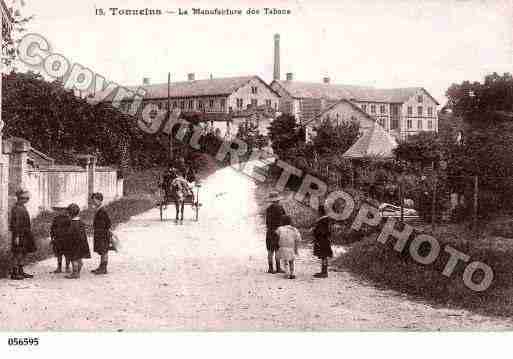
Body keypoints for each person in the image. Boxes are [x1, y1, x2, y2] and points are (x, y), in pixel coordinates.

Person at [9, 189, 37, 280]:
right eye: (26, 198)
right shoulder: (16, 208)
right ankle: (14, 273)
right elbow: (15, 224)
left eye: (27, 198)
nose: (27, 200)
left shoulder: (22, 207)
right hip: (19, 234)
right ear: (20, 198)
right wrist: (16, 236)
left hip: (25, 234)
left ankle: (21, 271)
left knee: (24, 252)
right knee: (17, 253)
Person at [64, 203, 91, 279]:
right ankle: (78, 272)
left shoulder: (72, 224)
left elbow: (70, 234)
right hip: (82, 243)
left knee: (73, 259)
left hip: (74, 244)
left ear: (70, 214)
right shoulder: (81, 222)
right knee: (79, 259)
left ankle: (75, 273)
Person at [91, 192, 112, 275]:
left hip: (102, 234)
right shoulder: (100, 210)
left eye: (94, 200)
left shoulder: (102, 211)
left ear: (99, 200)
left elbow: (107, 223)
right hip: (101, 233)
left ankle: (103, 268)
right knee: (102, 251)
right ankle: (101, 267)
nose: (93, 202)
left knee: (104, 251)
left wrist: (101, 231)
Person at [265, 191, 286, 274]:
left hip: (270, 231)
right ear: (278, 199)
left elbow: (267, 221)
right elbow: (284, 218)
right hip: (278, 231)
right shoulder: (280, 208)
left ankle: (270, 268)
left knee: (270, 251)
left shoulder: (268, 209)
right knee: (277, 249)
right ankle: (278, 268)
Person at [276, 215, 301, 279]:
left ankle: (286, 273)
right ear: (290, 221)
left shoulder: (280, 229)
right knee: (291, 261)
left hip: (283, 247)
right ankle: (292, 273)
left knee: (285, 261)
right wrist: (296, 248)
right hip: (291, 248)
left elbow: (276, 235)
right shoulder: (294, 229)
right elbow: (298, 239)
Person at [312, 204, 333, 278]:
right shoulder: (327, 219)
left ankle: (324, 272)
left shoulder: (322, 220)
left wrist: (315, 232)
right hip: (325, 240)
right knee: (324, 256)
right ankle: (323, 271)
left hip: (322, 240)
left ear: (320, 212)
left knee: (324, 256)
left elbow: (321, 231)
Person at [50, 207, 71, 274]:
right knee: (59, 254)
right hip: (58, 239)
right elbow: (52, 228)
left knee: (67, 254)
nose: (62, 211)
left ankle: (67, 267)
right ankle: (59, 267)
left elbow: (71, 229)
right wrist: (52, 237)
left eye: (64, 209)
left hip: (66, 240)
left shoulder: (69, 219)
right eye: (61, 210)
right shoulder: (56, 219)